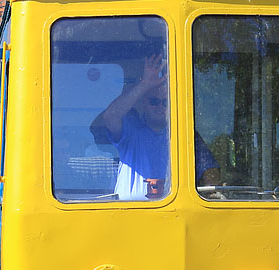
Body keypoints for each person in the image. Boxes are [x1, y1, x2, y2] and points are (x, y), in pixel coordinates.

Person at [91, 53, 220, 200]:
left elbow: (210, 170)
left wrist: (211, 184)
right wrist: (145, 84)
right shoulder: (131, 131)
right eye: (154, 101)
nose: (160, 107)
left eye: (165, 102)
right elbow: (110, 117)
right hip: (129, 215)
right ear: (143, 103)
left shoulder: (186, 135)